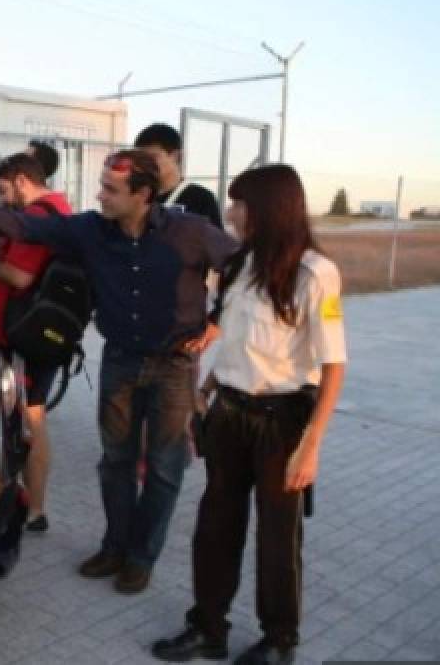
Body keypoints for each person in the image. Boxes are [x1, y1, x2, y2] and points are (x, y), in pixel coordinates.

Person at [0, 149, 237, 594]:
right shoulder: (90, 230)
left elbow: (243, 266)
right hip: (119, 361)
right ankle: (114, 547)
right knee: (115, 462)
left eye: (110, 189)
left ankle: (141, 557)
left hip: (174, 366)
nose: (99, 195)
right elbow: (28, 225)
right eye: (101, 185)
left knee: (165, 469)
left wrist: (218, 320)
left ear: (143, 194)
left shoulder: (188, 231)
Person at [152, 164, 346, 665]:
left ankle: (280, 639)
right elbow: (236, 339)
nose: (232, 212)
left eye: (239, 204)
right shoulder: (240, 265)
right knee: (215, 527)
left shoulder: (315, 273)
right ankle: (208, 629)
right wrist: (208, 388)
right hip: (229, 415)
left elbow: (333, 366)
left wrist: (312, 445)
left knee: (278, 539)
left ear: (267, 210)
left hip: (283, 423)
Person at [0, 153, 72, 534]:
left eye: (3, 190)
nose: (3, 200)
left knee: (31, 420)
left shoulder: (40, 217)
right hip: (36, 335)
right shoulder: (58, 210)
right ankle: (31, 502)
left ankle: (35, 510)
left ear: (19, 180)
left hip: (28, 341)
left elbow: (20, 277)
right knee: (30, 416)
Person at [135, 123, 222, 227]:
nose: (146, 163)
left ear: (176, 156)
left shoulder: (201, 199)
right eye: (141, 158)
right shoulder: (136, 196)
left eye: (153, 157)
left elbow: (215, 241)